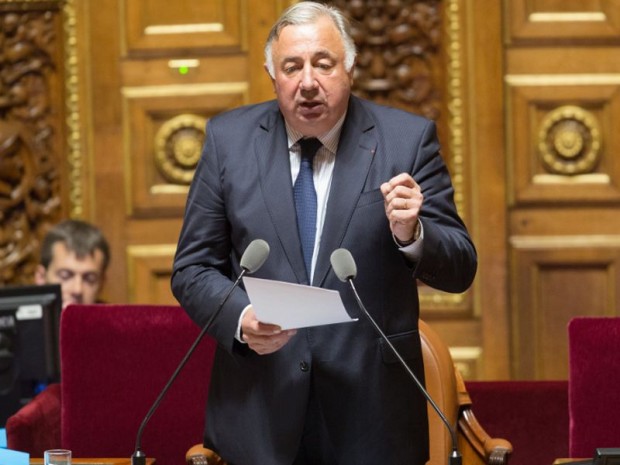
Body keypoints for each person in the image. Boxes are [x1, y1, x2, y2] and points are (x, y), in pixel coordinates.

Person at [171, 2, 477, 465]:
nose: (308, 81)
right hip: (260, 412)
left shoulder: (406, 140)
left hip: (372, 417)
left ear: (349, 67)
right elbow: (192, 268)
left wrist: (413, 231)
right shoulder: (228, 142)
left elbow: (460, 267)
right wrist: (241, 318)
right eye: (292, 67)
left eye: (323, 63)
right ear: (273, 75)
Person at [35, 219, 110, 309]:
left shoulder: (116, 321)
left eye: (90, 279)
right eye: (65, 276)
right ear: (41, 277)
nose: (77, 290)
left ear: (102, 283)